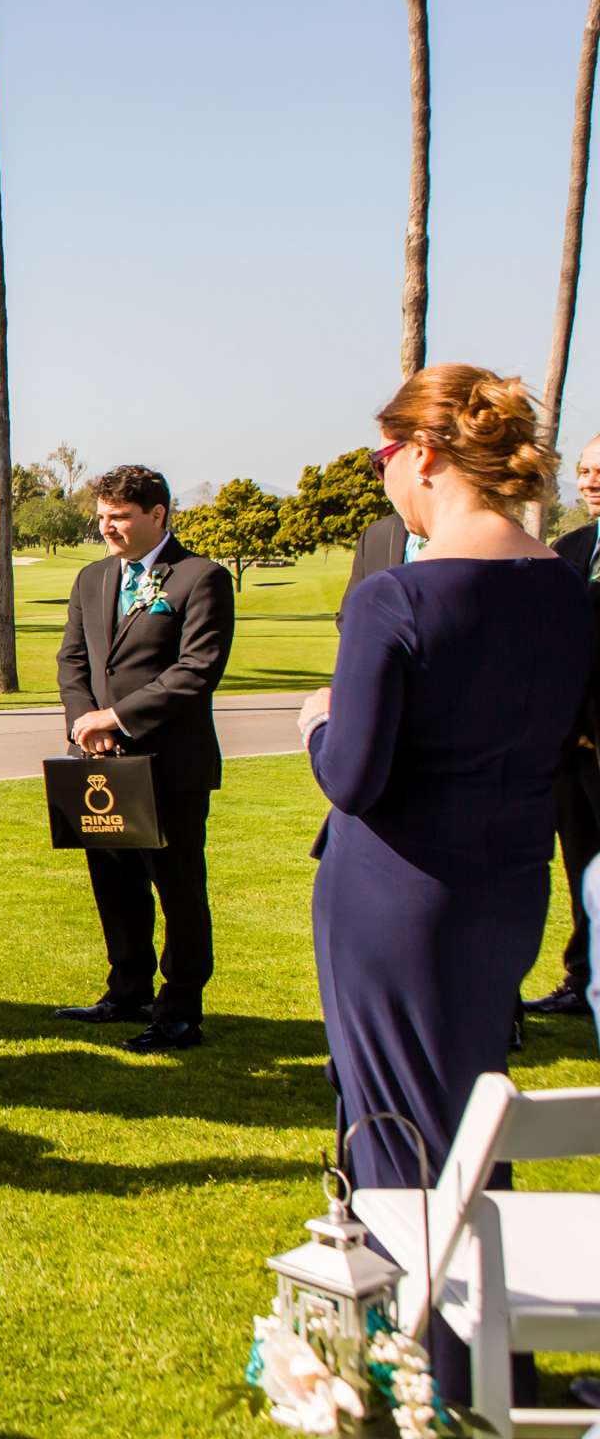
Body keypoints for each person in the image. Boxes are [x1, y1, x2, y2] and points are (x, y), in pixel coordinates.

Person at [301, 363, 587, 1402]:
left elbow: (355, 774)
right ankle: (493, 1357)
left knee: (400, 1138)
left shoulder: (398, 597)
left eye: (385, 457)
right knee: (472, 1128)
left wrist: (318, 721)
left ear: (423, 455)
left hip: (394, 899)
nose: (384, 477)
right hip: (506, 892)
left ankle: (435, 1377)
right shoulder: (565, 587)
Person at [54, 463, 234, 1053]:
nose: (108, 527)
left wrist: (118, 718)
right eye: (102, 517)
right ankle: (125, 990)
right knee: (115, 884)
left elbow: (196, 672)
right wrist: (87, 724)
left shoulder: (201, 578)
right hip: (102, 764)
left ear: (159, 514)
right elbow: (74, 662)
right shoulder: (92, 579)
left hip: (171, 765)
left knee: (178, 889)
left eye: (120, 517)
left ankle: (180, 1009)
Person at [528, 434, 600, 1020]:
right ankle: (582, 976)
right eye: (584, 470)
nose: (591, 481)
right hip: (569, 744)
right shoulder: (570, 548)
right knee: (580, 860)